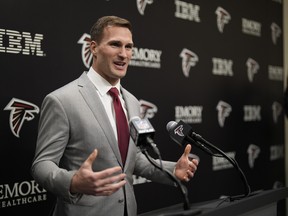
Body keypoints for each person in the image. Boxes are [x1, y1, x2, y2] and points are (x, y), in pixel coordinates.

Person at [31, 15, 199, 216]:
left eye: (128, 47)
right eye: (115, 45)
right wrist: (73, 182)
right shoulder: (62, 100)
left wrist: (173, 170)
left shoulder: (133, 102)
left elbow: (133, 159)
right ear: (93, 47)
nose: (123, 54)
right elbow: (42, 165)